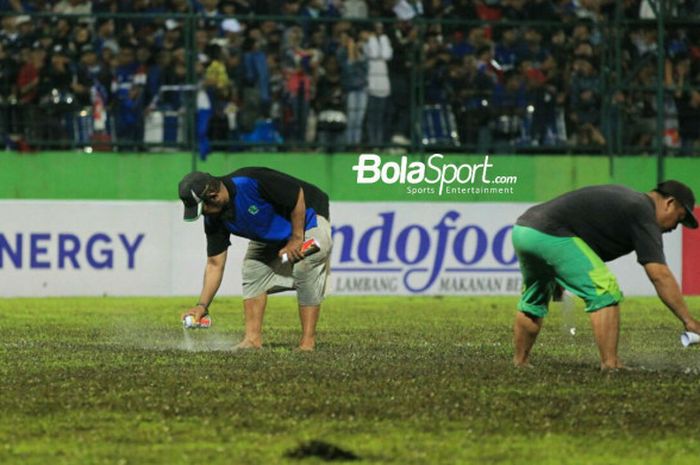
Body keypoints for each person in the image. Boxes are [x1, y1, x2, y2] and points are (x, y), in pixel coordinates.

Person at [512, 180, 700, 370]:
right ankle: (611, 364)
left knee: (534, 298)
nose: (676, 227)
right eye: (679, 218)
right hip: (550, 233)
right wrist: (689, 321)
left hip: (524, 230)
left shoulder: (630, 201)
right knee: (604, 288)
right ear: (669, 203)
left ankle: (520, 362)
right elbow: (659, 274)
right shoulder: (643, 211)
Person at [178, 167, 332, 351]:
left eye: (204, 209)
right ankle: (252, 340)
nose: (204, 214)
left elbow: (296, 194)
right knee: (252, 268)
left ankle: (308, 342)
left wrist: (297, 239)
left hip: (309, 223)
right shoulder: (214, 218)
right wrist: (202, 306)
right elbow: (214, 264)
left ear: (213, 194)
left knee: (305, 261)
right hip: (274, 238)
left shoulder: (250, 181)